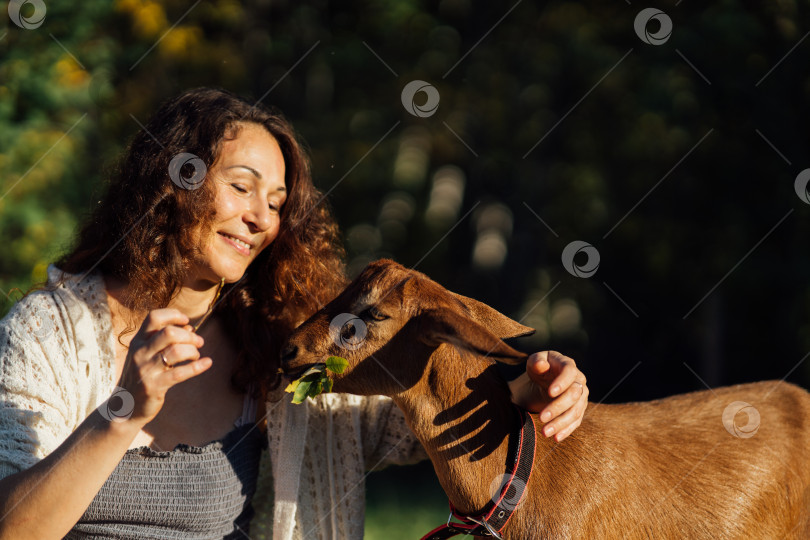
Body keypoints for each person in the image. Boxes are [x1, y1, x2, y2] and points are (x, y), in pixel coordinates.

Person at [0, 87, 589, 539]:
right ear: (171, 182)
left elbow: (416, 415)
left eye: (277, 202)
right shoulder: (47, 334)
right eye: (241, 186)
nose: (262, 217)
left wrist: (529, 388)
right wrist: (118, 417)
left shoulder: (279, 346)